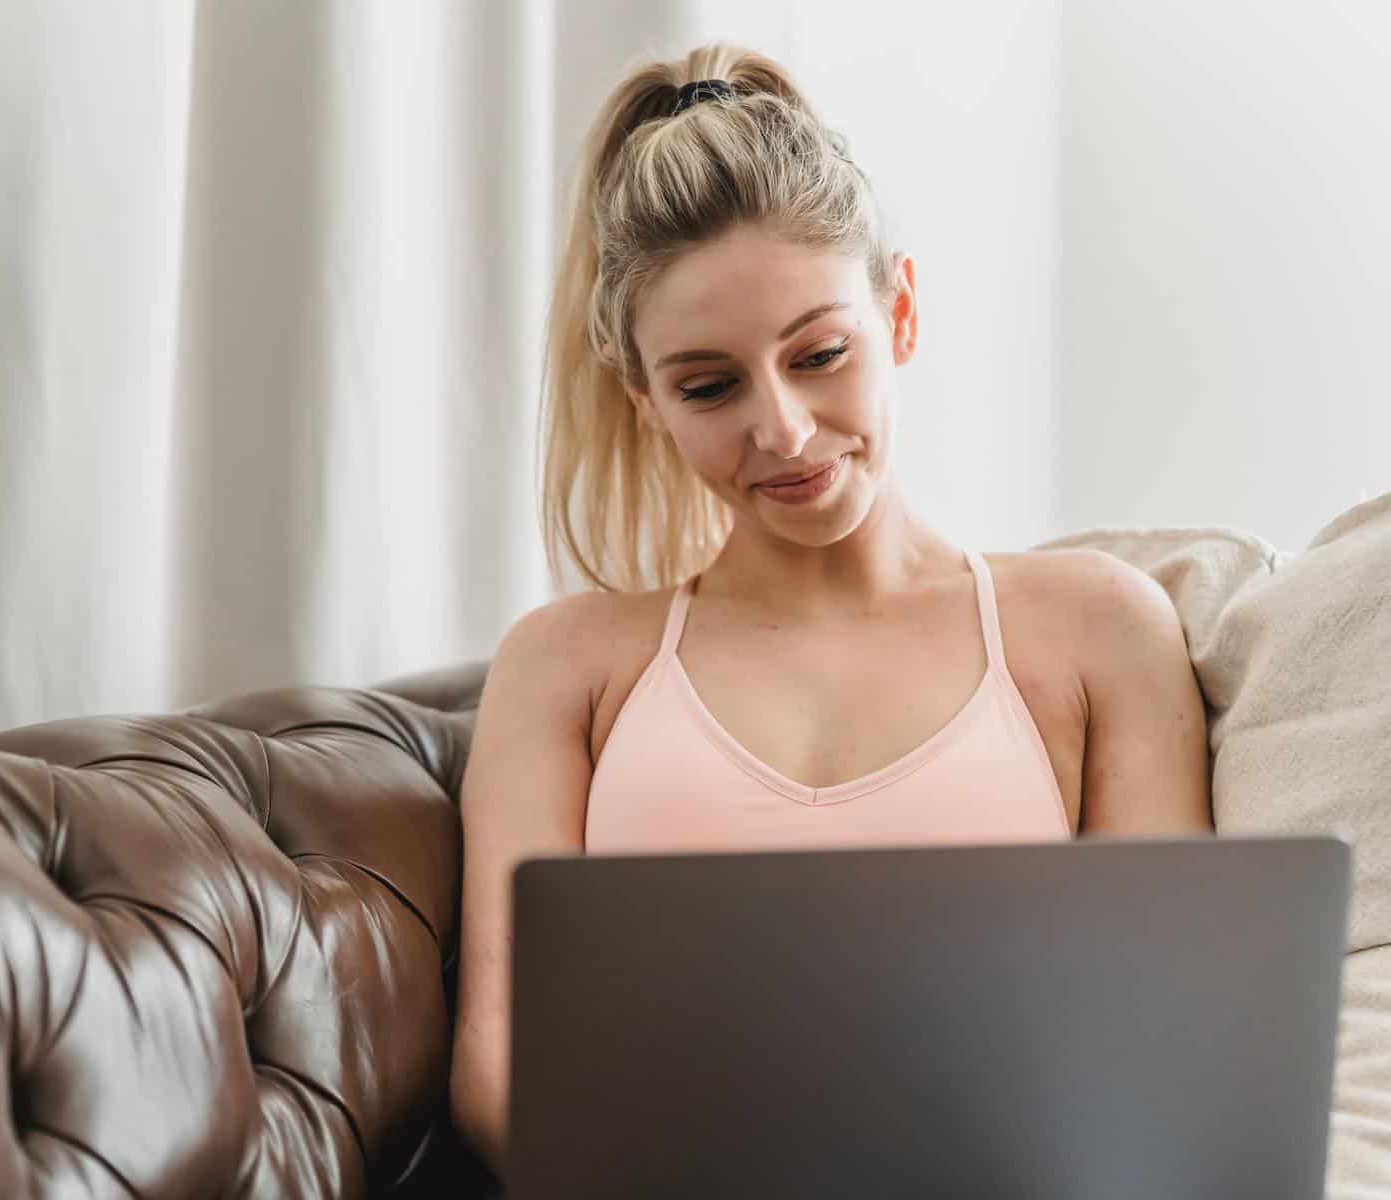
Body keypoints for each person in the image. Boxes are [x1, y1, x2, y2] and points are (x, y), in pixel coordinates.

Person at [447, 42, 1214, 1181]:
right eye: (710, 385)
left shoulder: (1099, 629)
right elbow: (498, 1063)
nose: (786, 430)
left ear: (900, 315)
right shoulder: (568, 667)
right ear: (644, 398)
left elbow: (1168, 1021)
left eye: (821, 354)